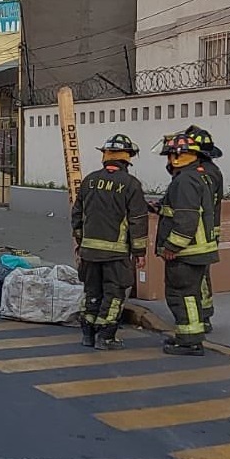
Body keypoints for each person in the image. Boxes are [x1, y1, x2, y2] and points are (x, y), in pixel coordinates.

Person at [71, 134, 149, 351]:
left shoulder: (89, 181)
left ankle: (87, 334)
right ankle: (106, 337)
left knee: (92, 292)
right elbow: (137, 221)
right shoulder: (131, 185)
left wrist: (80, 240)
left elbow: (77, 214)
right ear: (127, 160)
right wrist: (139, 252)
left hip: (89, 252)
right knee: (113, 294)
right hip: (116, 254)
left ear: (105, 157)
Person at [156, 132, 220, 356]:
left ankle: (189, 341)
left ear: (177, 156)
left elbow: (186, 220)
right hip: (199, 250)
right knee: (191, 294)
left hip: (186, 251)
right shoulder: (198, 176)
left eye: (169, 156)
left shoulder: (184, 181)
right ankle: (191, 337)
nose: (168, 161)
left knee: (181, 295)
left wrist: (172, 247)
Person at [182, 125, 223, 333]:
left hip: (198, 233)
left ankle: (202, 316)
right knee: (201, 276)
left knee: (197, 278)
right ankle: (203, 314)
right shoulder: (211, 171)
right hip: (206, 231)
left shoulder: (199, 174)